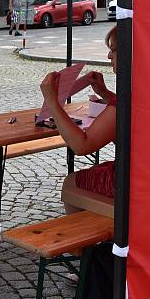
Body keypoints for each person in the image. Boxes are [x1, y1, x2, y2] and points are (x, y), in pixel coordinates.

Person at [40, 25, 118, 213]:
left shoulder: (127, 100)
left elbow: (82, 145)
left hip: (131, 184)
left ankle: (87, 241)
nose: (109, 56)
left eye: (114, 50)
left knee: (71, 183)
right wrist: (105, 94)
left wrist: (52, 101)